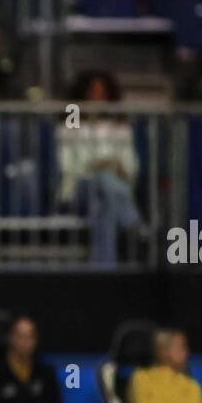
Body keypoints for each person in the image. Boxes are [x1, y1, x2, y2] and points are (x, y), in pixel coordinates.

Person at [56, 70, 141, 267]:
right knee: (102, 180)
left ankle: (103, 269)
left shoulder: (118, 125)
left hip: (109, 192)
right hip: (79, 190)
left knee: (105, 206)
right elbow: (68, 166)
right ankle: (131, 219)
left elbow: (132, 166)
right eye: (93, 93)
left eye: (101, 94)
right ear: (83, 94)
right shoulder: (73, 120)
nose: (97, 98)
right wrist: (100, 166)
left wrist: (112, 168)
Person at [126, 328, 202, 403]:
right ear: (162, 351)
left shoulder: (191, 383)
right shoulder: (140, 378)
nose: (186, 351)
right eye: (181, 347)